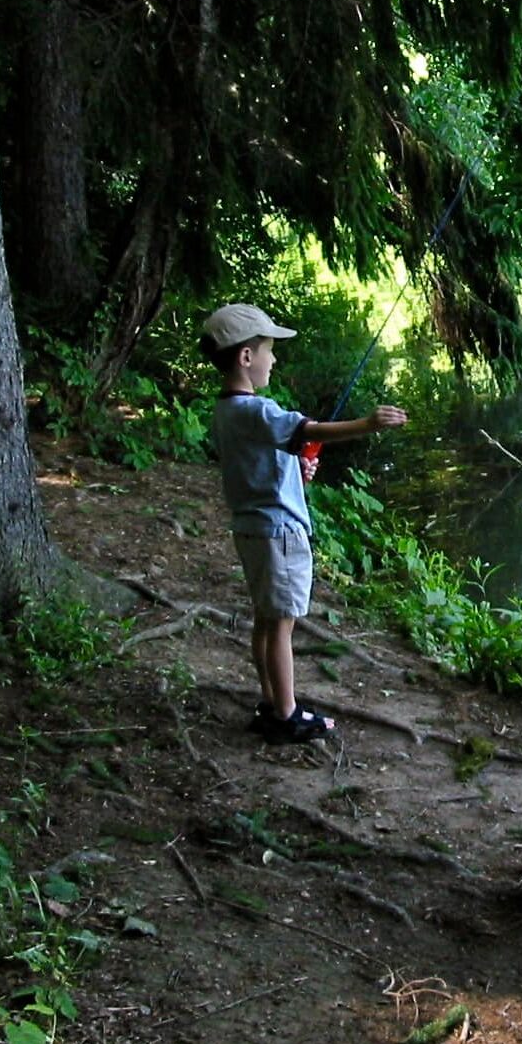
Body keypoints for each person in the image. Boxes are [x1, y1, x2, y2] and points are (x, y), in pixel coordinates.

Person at [200, 303, 407, 744]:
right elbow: (311, 430)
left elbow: (259, 462)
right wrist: (368, 424)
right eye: (269, 350)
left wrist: (296, 468)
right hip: (280, 534)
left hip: (253, 529)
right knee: (282, 625)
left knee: (265, 619)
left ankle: (274, 701)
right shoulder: (258, 411)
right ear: (245, 357)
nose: (274, 359)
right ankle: (288, 716)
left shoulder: (225, 411)